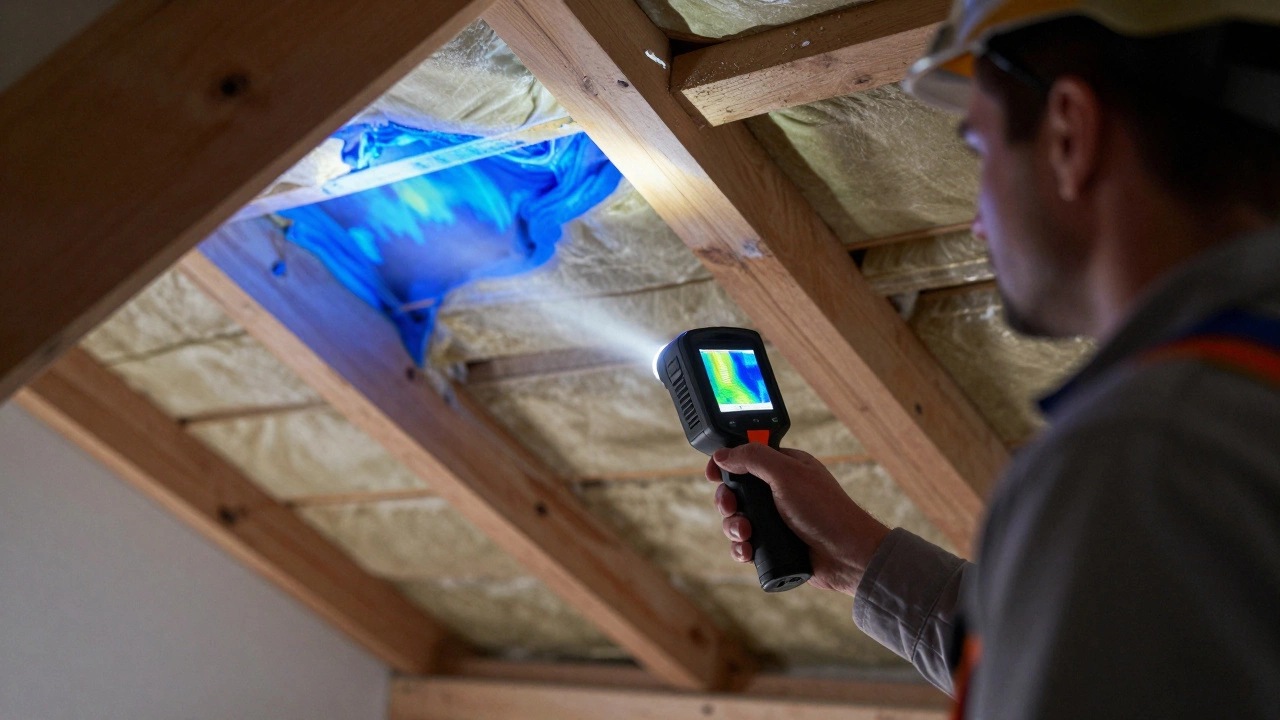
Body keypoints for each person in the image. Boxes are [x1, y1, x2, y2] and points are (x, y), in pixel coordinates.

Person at [706, 2, 1280, 717]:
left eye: (979, 152)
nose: (978, 219)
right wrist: (864, 560)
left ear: (1070, 132)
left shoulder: (1143, 459)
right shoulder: (1233, 416)